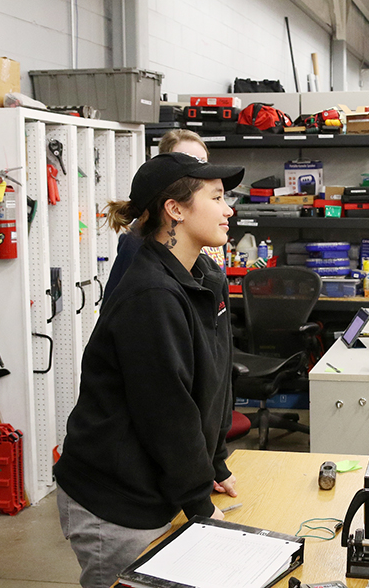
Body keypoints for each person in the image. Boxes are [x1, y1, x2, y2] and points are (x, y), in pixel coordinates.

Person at [55, 152, 244, 588]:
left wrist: (215, 464)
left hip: (157, 483)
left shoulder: (205, 277)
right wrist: (198, 502)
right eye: (216, 197)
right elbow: (167, 413)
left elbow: (215, 382)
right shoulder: (152, 295)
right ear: (175, 209)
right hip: (115, 500)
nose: (228, 210)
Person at [103, 129, 223, 303]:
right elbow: (117, 302)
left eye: (202, 162)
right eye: (186, 160)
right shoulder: (141, 237)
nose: (197, 170)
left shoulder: (209, 226)